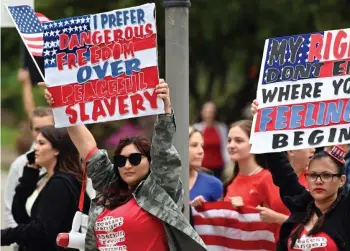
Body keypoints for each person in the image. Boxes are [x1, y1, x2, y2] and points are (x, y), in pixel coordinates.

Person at [42, 80, 206, 251]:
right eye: (121, 160)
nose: (127, 165)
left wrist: (165, 110)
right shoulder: (109, 189)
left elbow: (163, 152)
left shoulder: (159, 191)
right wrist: (62, 105)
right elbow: (87, 147)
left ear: (150, 162)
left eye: (135, 159)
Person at [257, 100, 350, 251]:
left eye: (326, 175)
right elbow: (281, 170)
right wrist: (264, 121)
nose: (318, 181)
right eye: (313, 175)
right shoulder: (300, 205)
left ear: (341, 180)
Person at [1, 126, 91, 251]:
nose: (35, 148)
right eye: (36, 142)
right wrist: (28, 179)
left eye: (41, 143)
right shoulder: (45, 178)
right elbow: (22, 219)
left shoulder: (61, 184)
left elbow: (42, 231)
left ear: (57, 150)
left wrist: (6, 235)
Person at [223, 120, 289, 226]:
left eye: (238, 141)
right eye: (229, 140)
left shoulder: (268, 178)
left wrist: (245, 209)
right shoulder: (230, 182)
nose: (231, 145)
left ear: (254, 144)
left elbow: (287, 220)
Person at [4, 107, 54, 230]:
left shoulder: (66, 161)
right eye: (37, 129)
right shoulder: (20, 164)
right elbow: (9, 208)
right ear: (31, 130)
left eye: (47, 128)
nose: (42, 133)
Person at [193, 101, 229, 179]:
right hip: (202, 167)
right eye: (207, 112)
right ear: (202, 112)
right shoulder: (196, 128)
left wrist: (227, 162)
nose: (209, 114)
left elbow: (225, 146)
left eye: (212, 112)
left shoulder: (221, 128)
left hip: (219, 167)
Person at [189, 127, 223, 205]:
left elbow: (220, 216)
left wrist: (204, 211)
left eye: (202, 146)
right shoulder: (165, 183)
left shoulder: (214, 184)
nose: (201, 151)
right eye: (194, 145)